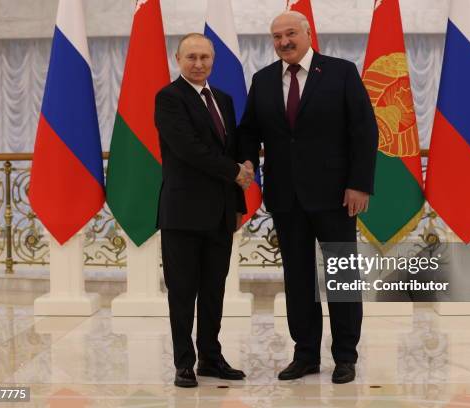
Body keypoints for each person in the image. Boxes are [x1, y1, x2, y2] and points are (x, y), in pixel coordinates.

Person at [238, 11, 379, 384]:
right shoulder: (263, 79)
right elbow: (249, 130)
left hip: (337, 195)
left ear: (307, 33)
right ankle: (305, 356)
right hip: (286, 197)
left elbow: (364, 130)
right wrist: (248, 161)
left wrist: (360, 183)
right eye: (276, 36)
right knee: (298, 279)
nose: (283, 41)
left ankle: (346, 356)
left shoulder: (341, 71)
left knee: (341, 278)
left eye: (290, 34)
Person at [154, 33, 254, 388]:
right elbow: (188, 148)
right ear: (178, 59)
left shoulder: (223, 100)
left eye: (205, 58)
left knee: (214, 289)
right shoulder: (169, 98)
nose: (199, 64)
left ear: (213, 60)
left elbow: (230, 149)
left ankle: (211, 357)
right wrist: (235, 172)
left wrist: (239, 201)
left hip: (220, 214)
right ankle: (184, 363)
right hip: (182, 213)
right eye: (191, 57)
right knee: (183, 292)